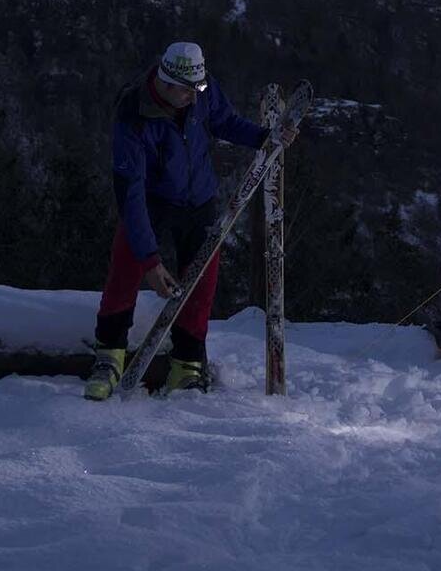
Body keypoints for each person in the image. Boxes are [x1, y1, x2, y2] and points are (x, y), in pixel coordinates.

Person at [84, 41, 288, 398]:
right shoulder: (134, 111)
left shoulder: (202, 89)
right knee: (127, 264)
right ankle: (109, 355)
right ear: (165, 81)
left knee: (201, 280)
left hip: (199, 199)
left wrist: (264, 139)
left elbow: (224, 121)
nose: (195, 98)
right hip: (150, 198)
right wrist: (151, 260)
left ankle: (187, 364)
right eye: (187, 91)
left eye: (199, 89)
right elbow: (129, 191)